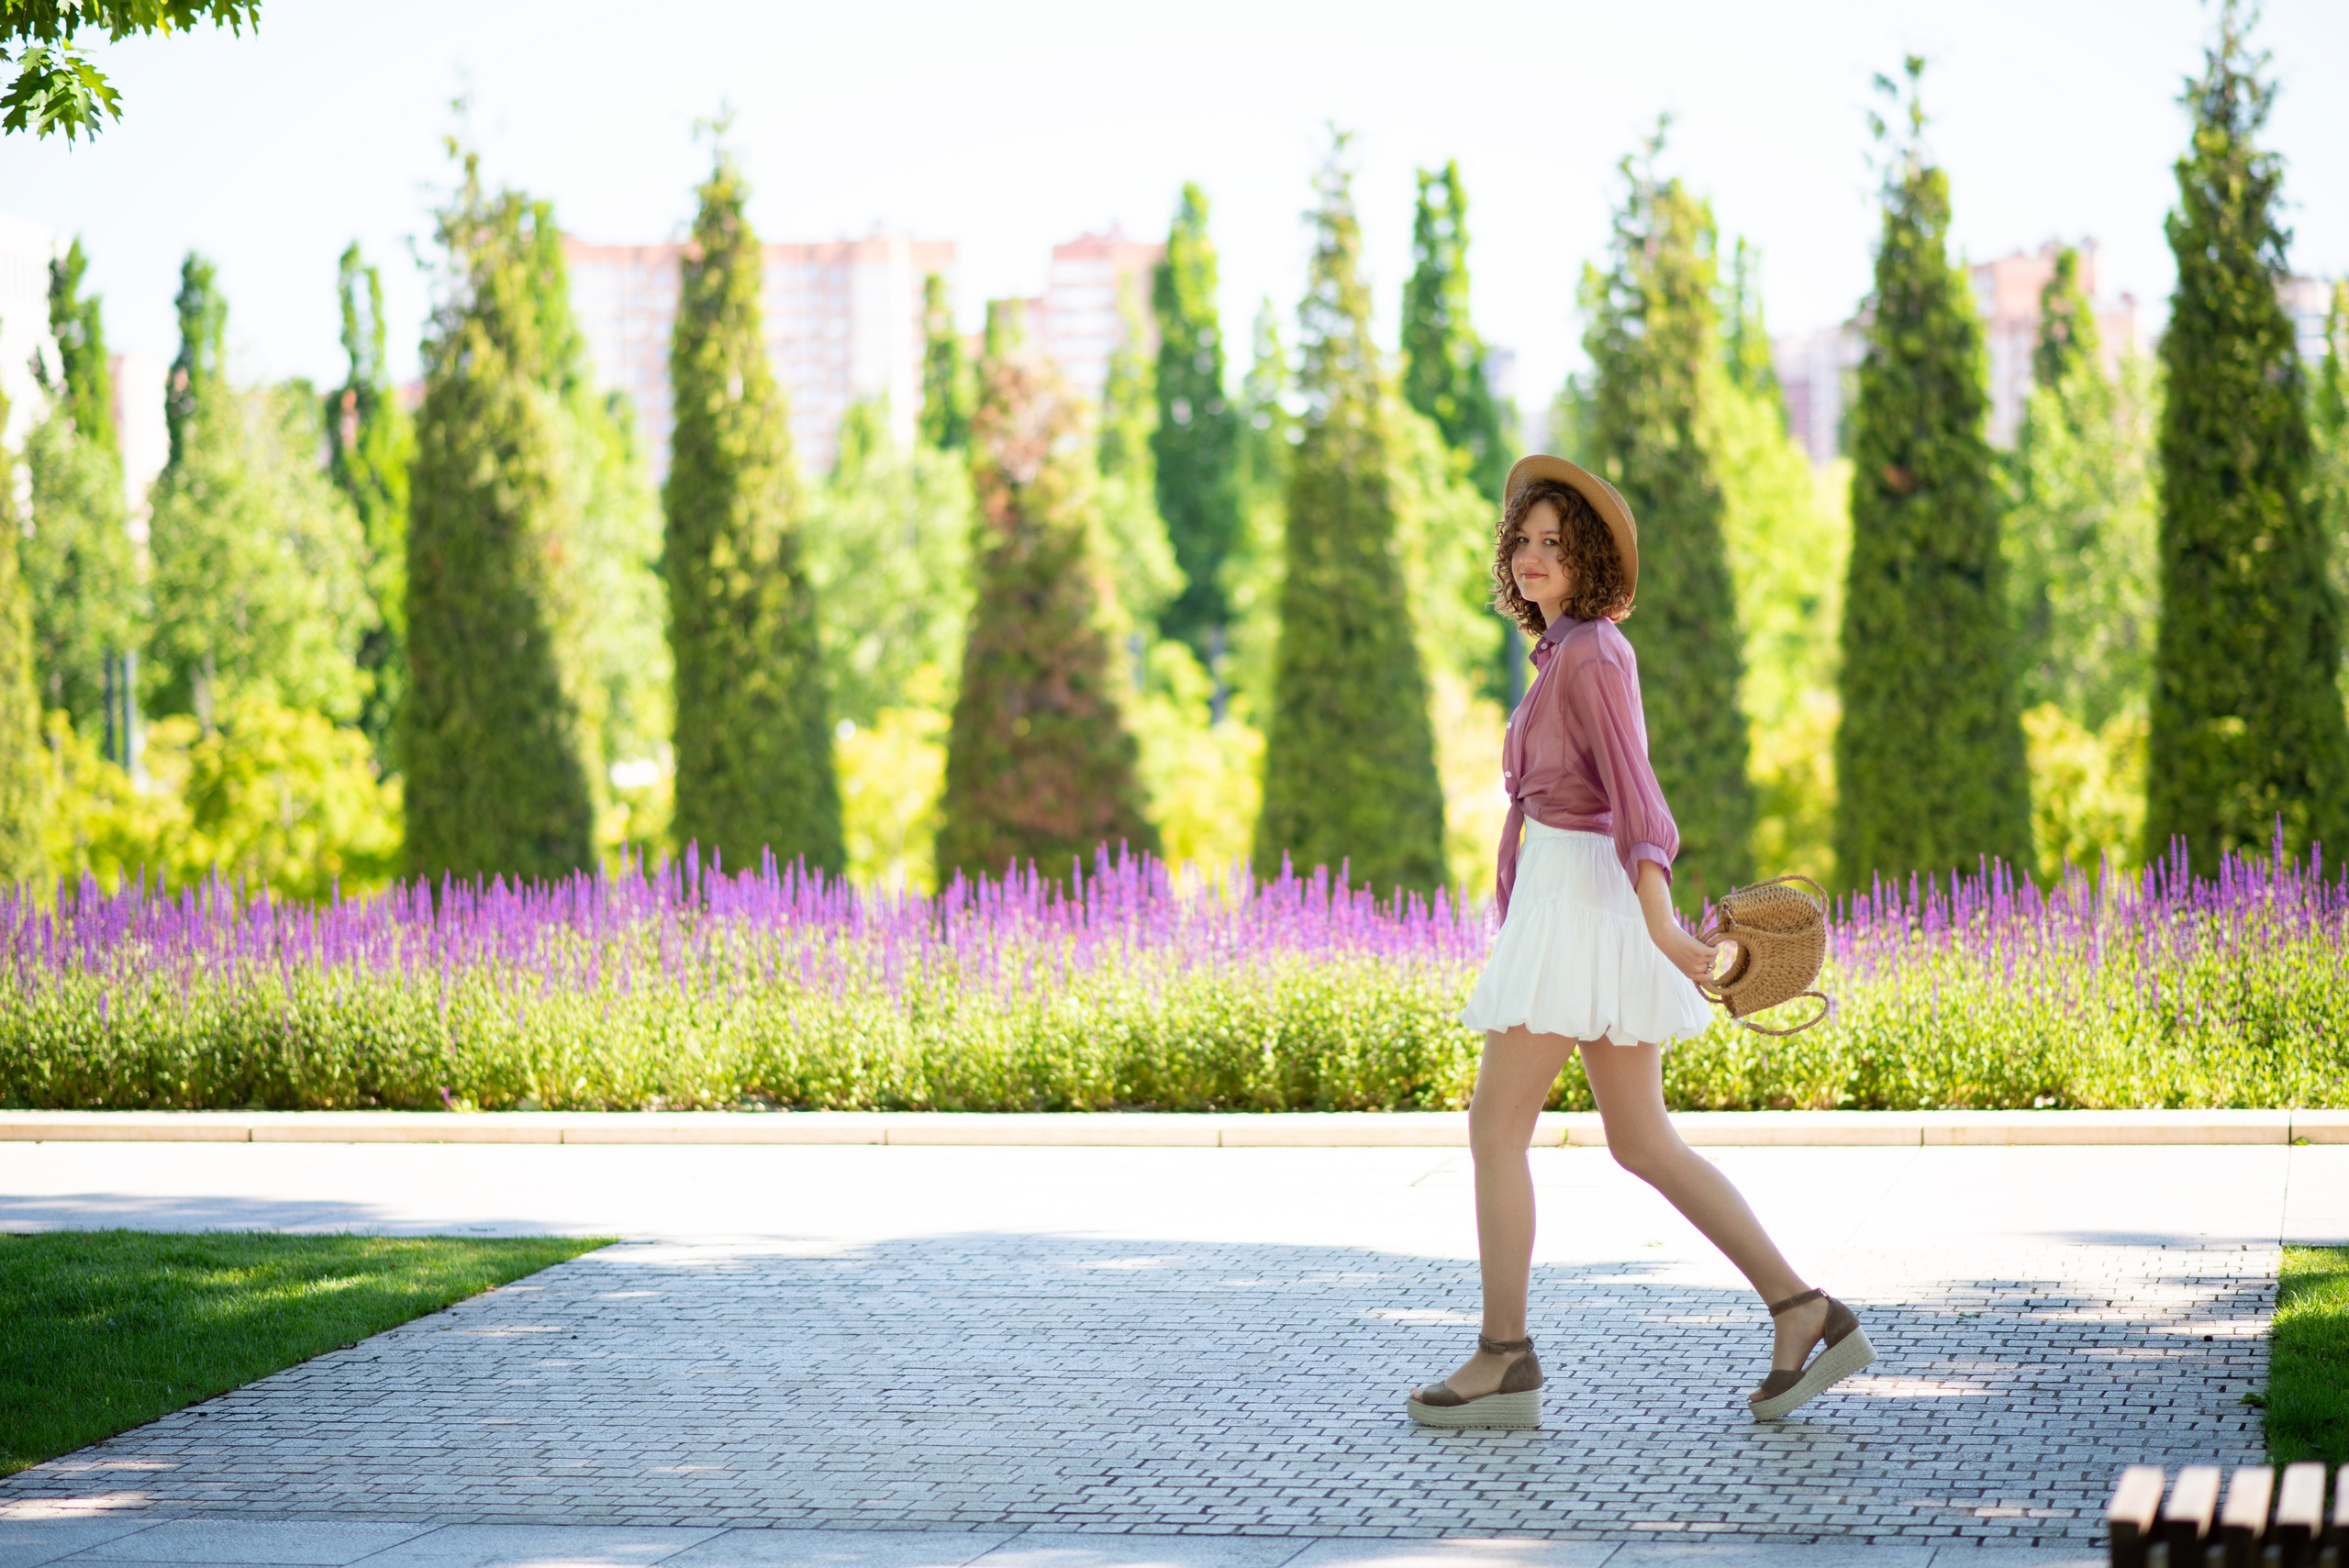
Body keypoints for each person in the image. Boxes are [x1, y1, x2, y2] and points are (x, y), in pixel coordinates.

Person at [1405, 455, 1874, 1429]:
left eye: (1552, 542)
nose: (1532, 556)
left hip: (1584, 898)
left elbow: (1637, 797)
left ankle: (1503, 1356)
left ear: (1585, 560)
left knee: (1497, 1128)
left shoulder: (1593, 653)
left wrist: (1660, 923)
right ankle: (1804, 1308)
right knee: (1641, 1138)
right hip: (1571, 894)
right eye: (1522, 541)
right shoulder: (1564, 653)